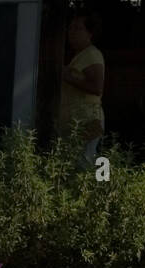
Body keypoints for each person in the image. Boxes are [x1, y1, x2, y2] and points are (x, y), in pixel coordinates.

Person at [60, 12, 105, 167]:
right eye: (71, 28)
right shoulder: (80, 55)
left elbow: (97, 87)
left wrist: (69, 78)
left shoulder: (92, 55)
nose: (72, 32)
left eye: (78, 28)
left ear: (90, 33)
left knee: (85, 162)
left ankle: (95, 190)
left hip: (88, 119)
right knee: (76, 161)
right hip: (77, 121)